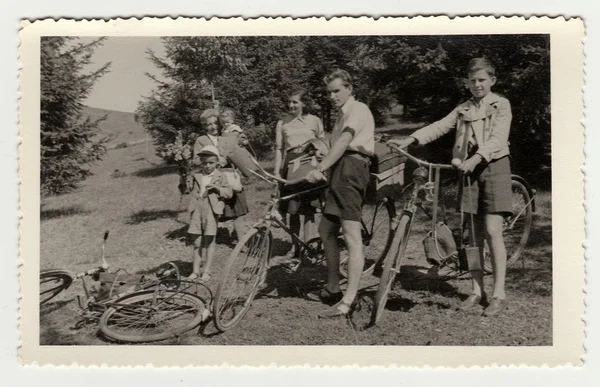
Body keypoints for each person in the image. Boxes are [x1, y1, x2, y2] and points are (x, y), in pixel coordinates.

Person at [388, 57, 513, 317]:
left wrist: (476, 159)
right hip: (467, 169)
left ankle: (499, 294)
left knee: (492, 229)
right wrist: (411, 139)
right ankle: (477, 291)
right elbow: (441, 126)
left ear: (492, 80)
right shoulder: (463, 108)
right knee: (473, 236)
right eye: (472, 81)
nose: (477, 85)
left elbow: (498, 138)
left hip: (494, 166)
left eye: (482, 80)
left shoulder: (501, 104)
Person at [305, 69, 375, 318]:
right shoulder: (341, 115)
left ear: (349, 89)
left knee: (351, 234)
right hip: (340, 169)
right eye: (329, 92)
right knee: (326, 230)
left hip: (352, 169)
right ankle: (334, 286)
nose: (332, 96)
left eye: (337, 91)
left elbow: (345, 143)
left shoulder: (358, 110)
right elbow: (336, 145)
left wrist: (321, 168)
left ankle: (349, 299)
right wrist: (324, 157)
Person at [274, 88, 326, 259]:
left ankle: (308, 245)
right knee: (293, 209)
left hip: (309, 162)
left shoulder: (314, 120)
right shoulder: (283, 123)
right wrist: (277, 172)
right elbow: (280, 149)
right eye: (289, 102)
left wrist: (321, 161)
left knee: (309, 209)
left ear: (303, 103)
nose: (291, 105)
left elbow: (322, 141)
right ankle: (295, 246)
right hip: (290, 166)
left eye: (295, 102)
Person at [194, 109, 249, 241]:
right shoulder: (201, 140)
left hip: (229, 177)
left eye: (215, 123)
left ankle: (241, 241)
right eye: (209, 124)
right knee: (212, 210)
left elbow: (237, 152)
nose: (213, 127)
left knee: (237, 211)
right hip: (213, 179)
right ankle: (208, 240)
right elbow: (196, 160)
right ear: (204, 126)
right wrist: (214, 160)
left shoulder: (225, 138)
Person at [187, 145, 233, 282]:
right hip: (197, 209)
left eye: (211, 163)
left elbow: (229, 193)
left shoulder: (221, 176)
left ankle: (206, 270)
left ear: (217, 162)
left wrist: (217, 188)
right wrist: (186, 179)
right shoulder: (196, 176)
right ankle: (195, 270)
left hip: (211, 210)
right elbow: (188, 191)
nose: (207, 166)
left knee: (209, 240)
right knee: (197, 241)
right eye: (204, 163)